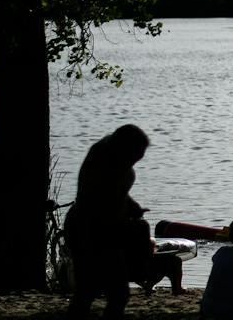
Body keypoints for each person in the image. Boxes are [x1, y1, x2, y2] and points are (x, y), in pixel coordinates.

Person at [66, 124, 152, 320]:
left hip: (100, 232)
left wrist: (133, 207)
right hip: (92, 232)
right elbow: (103, 204)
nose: (138, 159)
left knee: (99, 293)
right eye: (137, 154)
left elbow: (119, 195)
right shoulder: (103, 168)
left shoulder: (111, 160)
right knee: (100, 292)